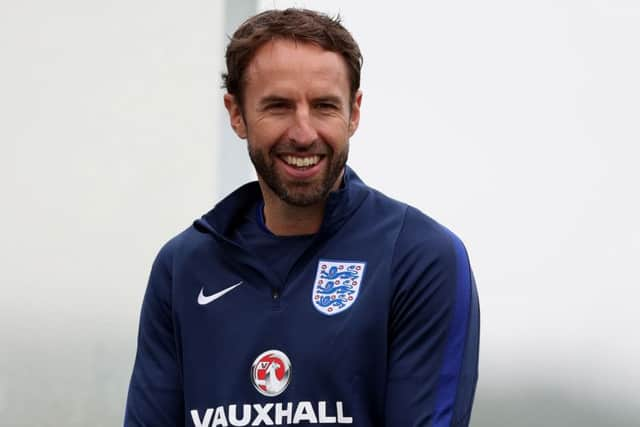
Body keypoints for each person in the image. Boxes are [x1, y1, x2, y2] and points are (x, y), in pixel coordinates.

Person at [124, 8, 479, 427]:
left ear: (355, 112)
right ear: (236, 114)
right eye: (278, 106)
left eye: (325, 106)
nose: (304, 132)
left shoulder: (418, 258)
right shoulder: (182, 267)